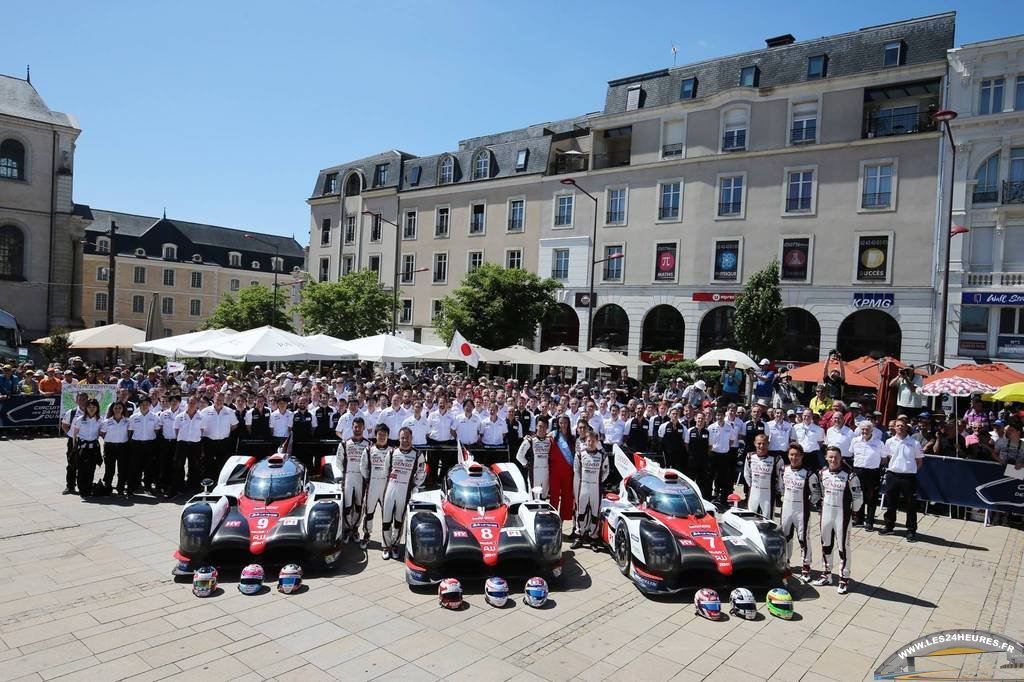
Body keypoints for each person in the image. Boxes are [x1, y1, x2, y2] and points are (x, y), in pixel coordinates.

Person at [812, 446, 863, 594]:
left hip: (843, 515)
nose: (833, 460)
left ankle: (844, 578)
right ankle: (826, 574)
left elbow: (858, 497)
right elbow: (819, 492)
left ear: (841, 458)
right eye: (830, 457)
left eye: (836, 457)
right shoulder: (822, 473)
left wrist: (854, 511)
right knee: (826, 545)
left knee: (843, 548)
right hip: (826, 514)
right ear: (826, 458)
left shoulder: (850, 476)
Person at [380, 426, 426, 559]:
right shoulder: (392, 452)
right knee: (386, 519)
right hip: (391, 487)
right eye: (402, 438)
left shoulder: (417, 454)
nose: (404, 440)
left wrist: (414, 485)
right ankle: (385, 546)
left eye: (407, 437)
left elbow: (421, 473)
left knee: (399, 520)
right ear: (399, 438)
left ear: (411, 438)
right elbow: (385, 470)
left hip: (405, 490)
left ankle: (395, 545)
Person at [777, 443, 819, 583]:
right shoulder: (784, 469)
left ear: (802, 456)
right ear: (788, 455)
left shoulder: (809, 473)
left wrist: (809, 503)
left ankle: (806, 567)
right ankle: (786, 563)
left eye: (796, 455)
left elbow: (816, 493)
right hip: (787, 508)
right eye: (791, 454)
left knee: (803, 539)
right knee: (785, 537)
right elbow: (781, 486)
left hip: (802, 510)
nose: (794, 457)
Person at [881, 417, 923, 542]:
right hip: (892, 475)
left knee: (910, 504)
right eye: (897, 425)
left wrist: (910, 470)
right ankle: (889, 526)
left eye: (902, 425)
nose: (899, 427)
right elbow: (886, 458)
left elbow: (919, 461)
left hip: (908, 477)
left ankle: (911, 531)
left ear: (906, 427)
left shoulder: (914, 443)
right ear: (894, 427)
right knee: (890, 502)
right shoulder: (889, 441)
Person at [572, 431, 609, 550]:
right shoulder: (579, 454)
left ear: (597, 441)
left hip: (595, 487)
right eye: (589, 441)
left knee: (594, 513)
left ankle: (593, 537)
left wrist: (598, 481)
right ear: (586, 441)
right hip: (583, 486)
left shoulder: (602, 455)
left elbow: (606, 471)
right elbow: (576, 470)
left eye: (593, 441)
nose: (591, 443)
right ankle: (579, 535)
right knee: (581, 512)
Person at [359, 423, 392, 550]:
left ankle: (386, 543)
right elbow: (363, 467)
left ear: (388, 436)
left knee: (387, 515)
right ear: (376, 435)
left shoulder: (392, 451)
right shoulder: (368, 450)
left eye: (384, 435)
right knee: (369, 513)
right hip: (372, 486)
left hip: (386, 488)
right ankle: (367, 536)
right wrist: (369, 479)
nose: (382, 437)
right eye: (380, 434)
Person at [850, 420, 885, 530]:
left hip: (872, 473)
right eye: (863, 429)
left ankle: (869, 522)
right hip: (858, 471)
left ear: (872, 430)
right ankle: (859, 519)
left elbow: (884, 459)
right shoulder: (855, 441)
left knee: (872, 498)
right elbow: (852, 453)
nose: (864, 431)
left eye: (867, 429)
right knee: (858, 496)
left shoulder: (879, 443)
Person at [339, 417, 369, 542]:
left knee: (358, 505)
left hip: (361, 479)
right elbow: (339, 461)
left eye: (360, 427)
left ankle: (355, 529)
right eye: (355, 427)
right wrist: (345, 474)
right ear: (352, 428)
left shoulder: (368, 444)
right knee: (347, 505)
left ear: (363, 428)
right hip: (348, 477)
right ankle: (346, 529)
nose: (357, 429)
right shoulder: (345, 443)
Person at [200, 393, 238, 479]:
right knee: (208, 463)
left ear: (224, 400)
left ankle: (219, 483)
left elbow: (234, 425)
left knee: (222, 464)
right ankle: (208, 484)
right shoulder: (205, 411)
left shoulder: (229, 411)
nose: (219, 401)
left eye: (221, 400)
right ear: (213, 399)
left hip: (223, 442)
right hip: (208, 442)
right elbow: (200, 426)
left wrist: (225, 431)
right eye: (217, 399)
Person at [744, 434, 782, 519]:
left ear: (768, 444)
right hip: (753, 491)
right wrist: (752, 485)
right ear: (755, 443)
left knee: (767, 519)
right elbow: (746, 474)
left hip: (768, 493)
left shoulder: (776, 459)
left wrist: (778, 489)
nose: (761, 446)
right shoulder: (749, 456)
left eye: (764, 444)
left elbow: (781, 478)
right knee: (750, 517)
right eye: (759, 443)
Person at [71, 398, 103, 497]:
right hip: (83, 448)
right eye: (89, 407)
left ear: (97, 408)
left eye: (94, 407)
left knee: (91, 469)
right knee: (81, 470)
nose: (91, 409)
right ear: (86, 408)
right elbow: (75, 435)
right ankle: (82, 490)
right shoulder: (80, 419)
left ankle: (88, 489)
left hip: (93, 448)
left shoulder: (100, 420)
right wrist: (75, 449)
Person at [127, 396, 159, 494]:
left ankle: (148, 487)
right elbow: (130, 431)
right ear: (139, 405)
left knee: (149, 467)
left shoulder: (154, 417)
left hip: (150, 444)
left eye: (147, 404)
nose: (144, 406)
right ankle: (135, 486)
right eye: (142, 404)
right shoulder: (133, 417)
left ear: (150, 405)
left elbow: (157, 431)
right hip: (136, 444)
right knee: (135, 467)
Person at [517, 416, 553, 498]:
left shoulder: (550, 440)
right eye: (540, 426)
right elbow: (519, 456)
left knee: (544, 495)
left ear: (547, 428)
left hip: (546, 472)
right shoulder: (530, 440)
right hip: (534, 471)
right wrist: (527, 464)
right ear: (536, 426)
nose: (542, 429)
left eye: (544, 427)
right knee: (533, 496)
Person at [174, 396, 204, 495]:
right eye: (190, 402)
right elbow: (176, 430)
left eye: (194, 403)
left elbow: (202, 430)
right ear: (187, 403)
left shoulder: (201, 417)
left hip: (195, 444)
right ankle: (180, 486)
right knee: (179, 465)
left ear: (197, 404)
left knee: (194, 466)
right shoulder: (179, 416)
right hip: (182, 444)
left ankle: (193, 486)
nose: (192, 404)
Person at [61, 393, 89, 495]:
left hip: (87, 442)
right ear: (76, 401)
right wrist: (70, 435)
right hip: (73, 442)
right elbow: (64, 425)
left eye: (83, 399)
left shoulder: (91, 411)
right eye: (79, 399)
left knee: (85, 465)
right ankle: (70, 486)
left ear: (87, 400)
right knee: (72, 464)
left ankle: (84, 486)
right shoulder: (72, 412)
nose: (81, 401)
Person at [550, 415, 576, 523]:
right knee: (554, 495)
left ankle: (562, 520)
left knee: (567, 496)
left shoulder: (573, 438)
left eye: (565, 422)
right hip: (555, 470)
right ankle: (553, 519)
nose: (563, 425)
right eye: (561, 423)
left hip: (568, 470)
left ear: (568, 424)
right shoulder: (552, 435)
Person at [100, 401, 130, 495]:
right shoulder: (107, 421)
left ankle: (120, 487)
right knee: (109, 469)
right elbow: (102, 434)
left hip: (123, 447)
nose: (117, 410)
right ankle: (108, 486)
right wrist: (110, 440)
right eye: (115, 408)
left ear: (123, 409)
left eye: (120, 408)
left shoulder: (127, 421)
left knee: (122, 469)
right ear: (112, 409)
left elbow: (129, 433)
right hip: (110, 447)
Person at [708, 408, 736, 506]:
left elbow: (732, 440)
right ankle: (709, 498)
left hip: (724, 455)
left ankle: (723, 500)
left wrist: (725, 447)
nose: (719, 417)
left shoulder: (729, 427)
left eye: (721, 415)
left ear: (724, 416)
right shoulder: (711, 427)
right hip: (713, 454)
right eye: (717, 415)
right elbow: (709, 443)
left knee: (723, 478)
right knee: (710, 476)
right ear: (715, 416)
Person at [659, 408, 687, 473]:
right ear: (670, 415)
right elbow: (660, 439)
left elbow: (684, 440)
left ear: (679, 415)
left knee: (676, 472)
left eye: (677, 414)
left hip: (678, 455)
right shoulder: (664, 426)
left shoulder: (683, 427)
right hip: (666, 454)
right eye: (673, 414)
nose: (675, 415)